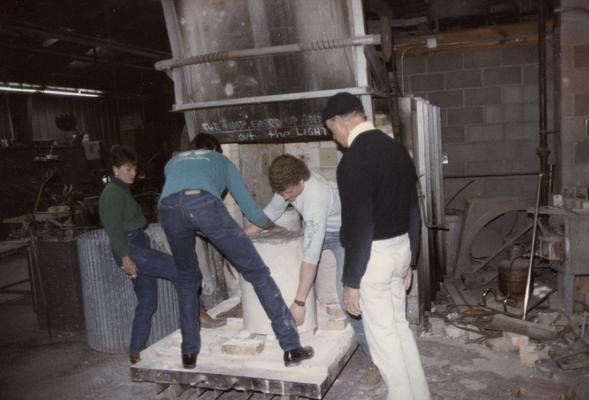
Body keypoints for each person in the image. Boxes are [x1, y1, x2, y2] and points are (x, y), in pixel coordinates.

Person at [158, 133, 314, 369]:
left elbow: (180, 201)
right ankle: (291, 347)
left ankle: (188, 354)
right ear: (216, 150)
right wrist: (272, 226)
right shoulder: (221, 161)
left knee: (187, 279)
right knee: (258, 273)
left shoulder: (173, 162)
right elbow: (252, 212)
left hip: (168, 209)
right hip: (204, 206)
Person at [322, 92, 430, 400]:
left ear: (339, 121)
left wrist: (351, 280)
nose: (335, 138)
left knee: (382, 341)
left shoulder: (352, 161)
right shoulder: (398, 151)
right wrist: (411, 260)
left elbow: (359, 225)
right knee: (399, 328)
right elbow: (413, 209)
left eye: (332, 131)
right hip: (400, 250)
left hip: (374, 257)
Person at [245, 154, 381, 387]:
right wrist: (239, 239)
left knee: (346, 293)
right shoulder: (286, 187)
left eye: (288, 192)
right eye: (282, 192)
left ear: (301, 180)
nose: (285, 197)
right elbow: (268, 215)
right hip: (318, 228)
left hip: (345, 234)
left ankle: (376, 360)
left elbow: (311, 259)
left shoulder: (315, 196)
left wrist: (299, 304)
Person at [99, 145, 178, 365]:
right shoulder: (112, 193)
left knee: (148, 301)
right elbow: (112, 228)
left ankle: (136, 352)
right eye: (128, 169)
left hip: (137, 245)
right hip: (130, 248)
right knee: (177, 268)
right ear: (115, 169)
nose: (133, 173)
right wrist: (125, 258)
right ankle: (198, 315)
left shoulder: (122, 190)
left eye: (134, 168)